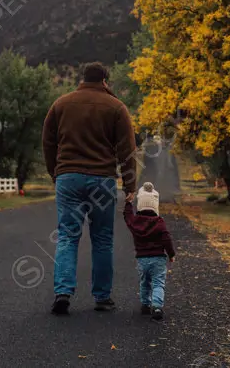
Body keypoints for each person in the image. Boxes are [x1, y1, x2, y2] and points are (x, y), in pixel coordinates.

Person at [42, 62, 137, 315]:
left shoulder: (61, 104)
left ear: (82, 78)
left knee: (67, 236)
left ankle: (63, 292)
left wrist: (55, 171)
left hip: (68, 178)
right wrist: (130, 184)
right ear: (105, 81)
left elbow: (48, 142)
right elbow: (128, 150)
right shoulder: (116, 107)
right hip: (102, 180)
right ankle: (102, 297)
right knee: (103, 239)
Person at [122, 182, 175, 321]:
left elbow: (127, 217)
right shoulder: (159, 222)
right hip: (158, 259)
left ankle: (145, 304)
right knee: (158, 283)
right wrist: (171, 254)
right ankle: (157, 306)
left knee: (144, 281)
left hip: (142, 259)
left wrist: (128, 204)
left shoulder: (135, 222)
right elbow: (166, 239)